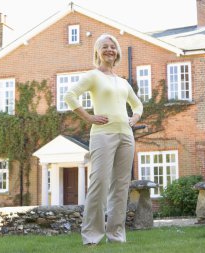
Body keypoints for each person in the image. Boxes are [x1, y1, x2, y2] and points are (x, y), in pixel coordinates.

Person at [64, 33, 143, 245]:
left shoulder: (123, 83)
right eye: (105, 46)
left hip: (126, 136)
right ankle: (92, 236)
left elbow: (138, 105)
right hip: (103, 135)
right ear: (98, 52)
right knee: (99, 183)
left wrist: (133, 119)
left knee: (121, 186)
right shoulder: (93, 76)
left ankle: (116, 236)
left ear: (116, 53)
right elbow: (69, 96)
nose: (110, 49)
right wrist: (89, 117)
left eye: (113, 47)